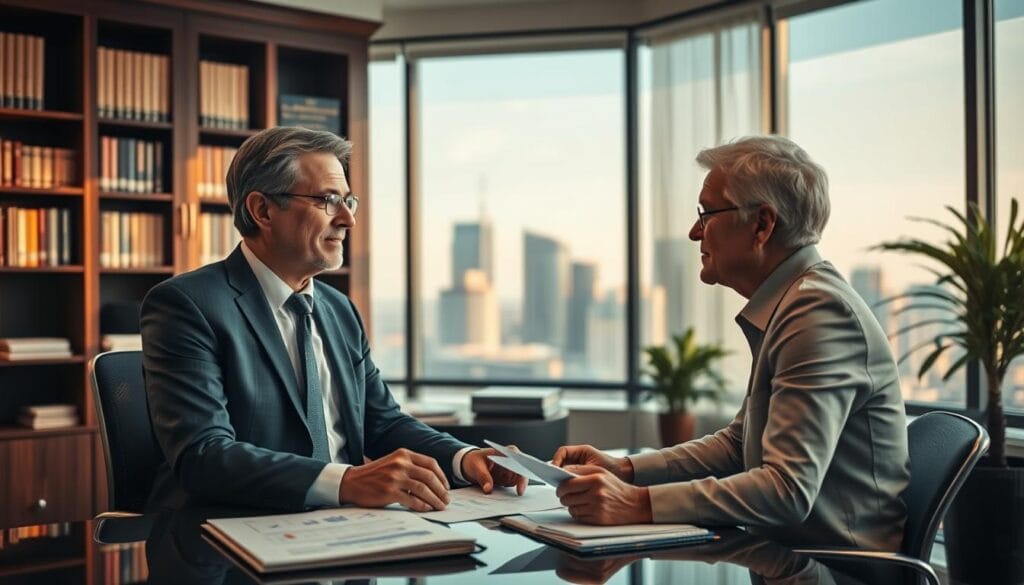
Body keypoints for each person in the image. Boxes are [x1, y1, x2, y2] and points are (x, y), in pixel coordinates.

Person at [552, 135, 910, 551]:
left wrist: (637, 503)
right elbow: (739, 445)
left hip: (834, 570)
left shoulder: (818, 312)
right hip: (783, 556)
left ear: (762, 224)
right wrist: (626, 469)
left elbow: (786, 490)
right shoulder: (794, 301)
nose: (693, 231)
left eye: (707, 213)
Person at [142, 126, 524, 513]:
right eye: (328, 200)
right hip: (231, 540)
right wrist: (346, 481)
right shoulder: (187, 305)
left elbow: (382, 423)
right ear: (262, 210)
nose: (347, 220)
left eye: (348, 201)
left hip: (344, 529)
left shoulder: (339, 309)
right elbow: (204, 454)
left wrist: (464, 458)